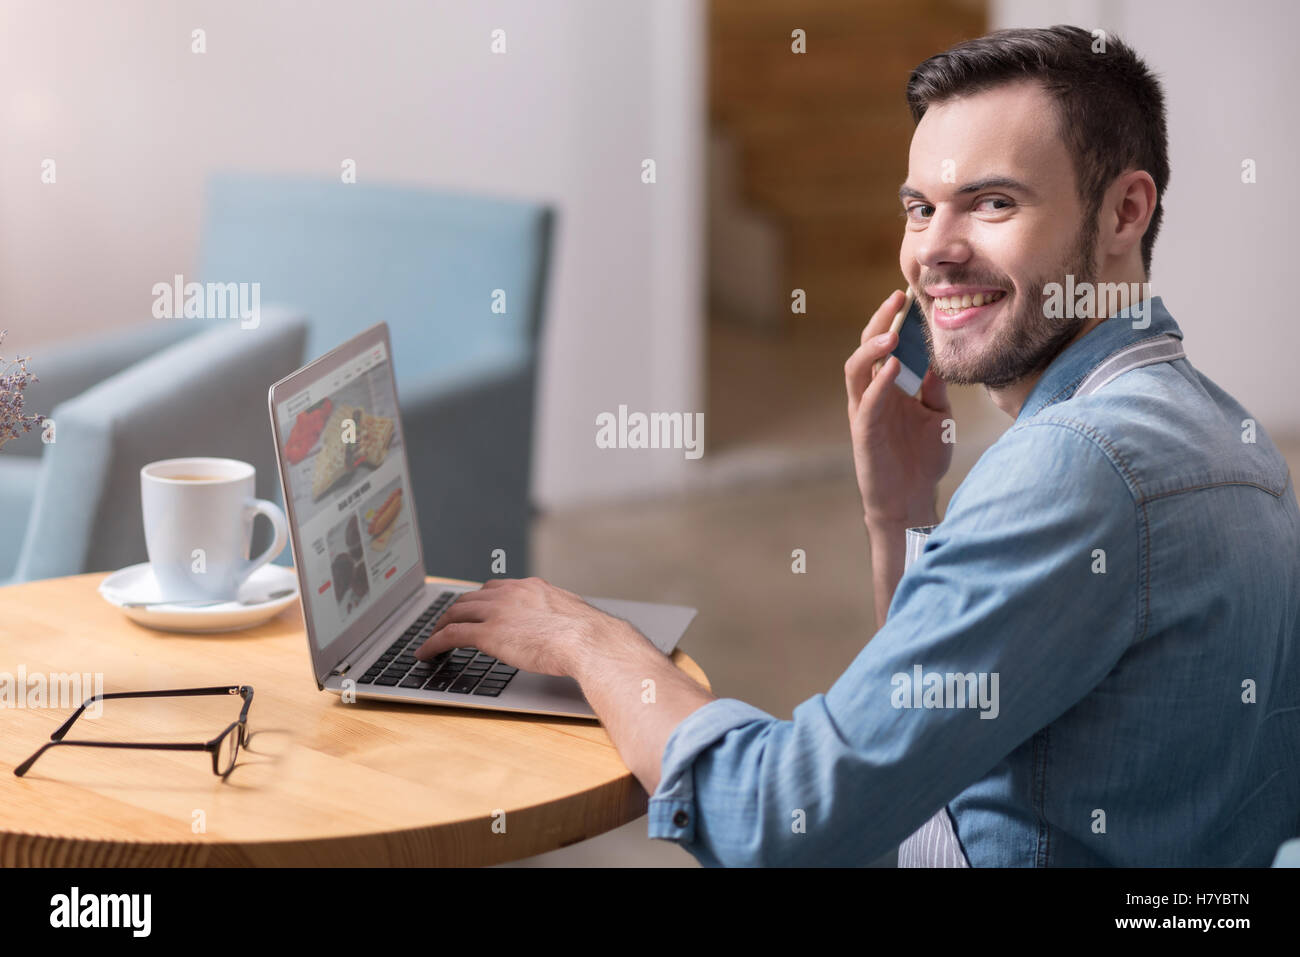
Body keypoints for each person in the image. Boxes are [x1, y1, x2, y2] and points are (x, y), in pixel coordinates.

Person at [415, 25, 1300, 866]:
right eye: (921, 208)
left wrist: (588, 642)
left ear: (1124, 212)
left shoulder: (1077, 467)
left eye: (994, 202)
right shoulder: (1228, 431)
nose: (934, 253)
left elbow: (778, 821)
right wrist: (903, 513)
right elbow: (934, 735)